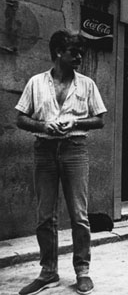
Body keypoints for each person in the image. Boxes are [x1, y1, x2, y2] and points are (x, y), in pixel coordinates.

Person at [15, 29, 107, 295]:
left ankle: (82, 270)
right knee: (45, 216)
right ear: (58, 53)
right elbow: (20, 118)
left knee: (79, 215)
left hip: (75, 150)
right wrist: (44, 125)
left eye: (81, 52)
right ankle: (48, 272)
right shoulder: (36, 82)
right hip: (44, 150)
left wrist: (74, 121)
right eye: (73, 52)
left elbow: (99, 119)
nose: (79, 57)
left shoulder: (87, 84)